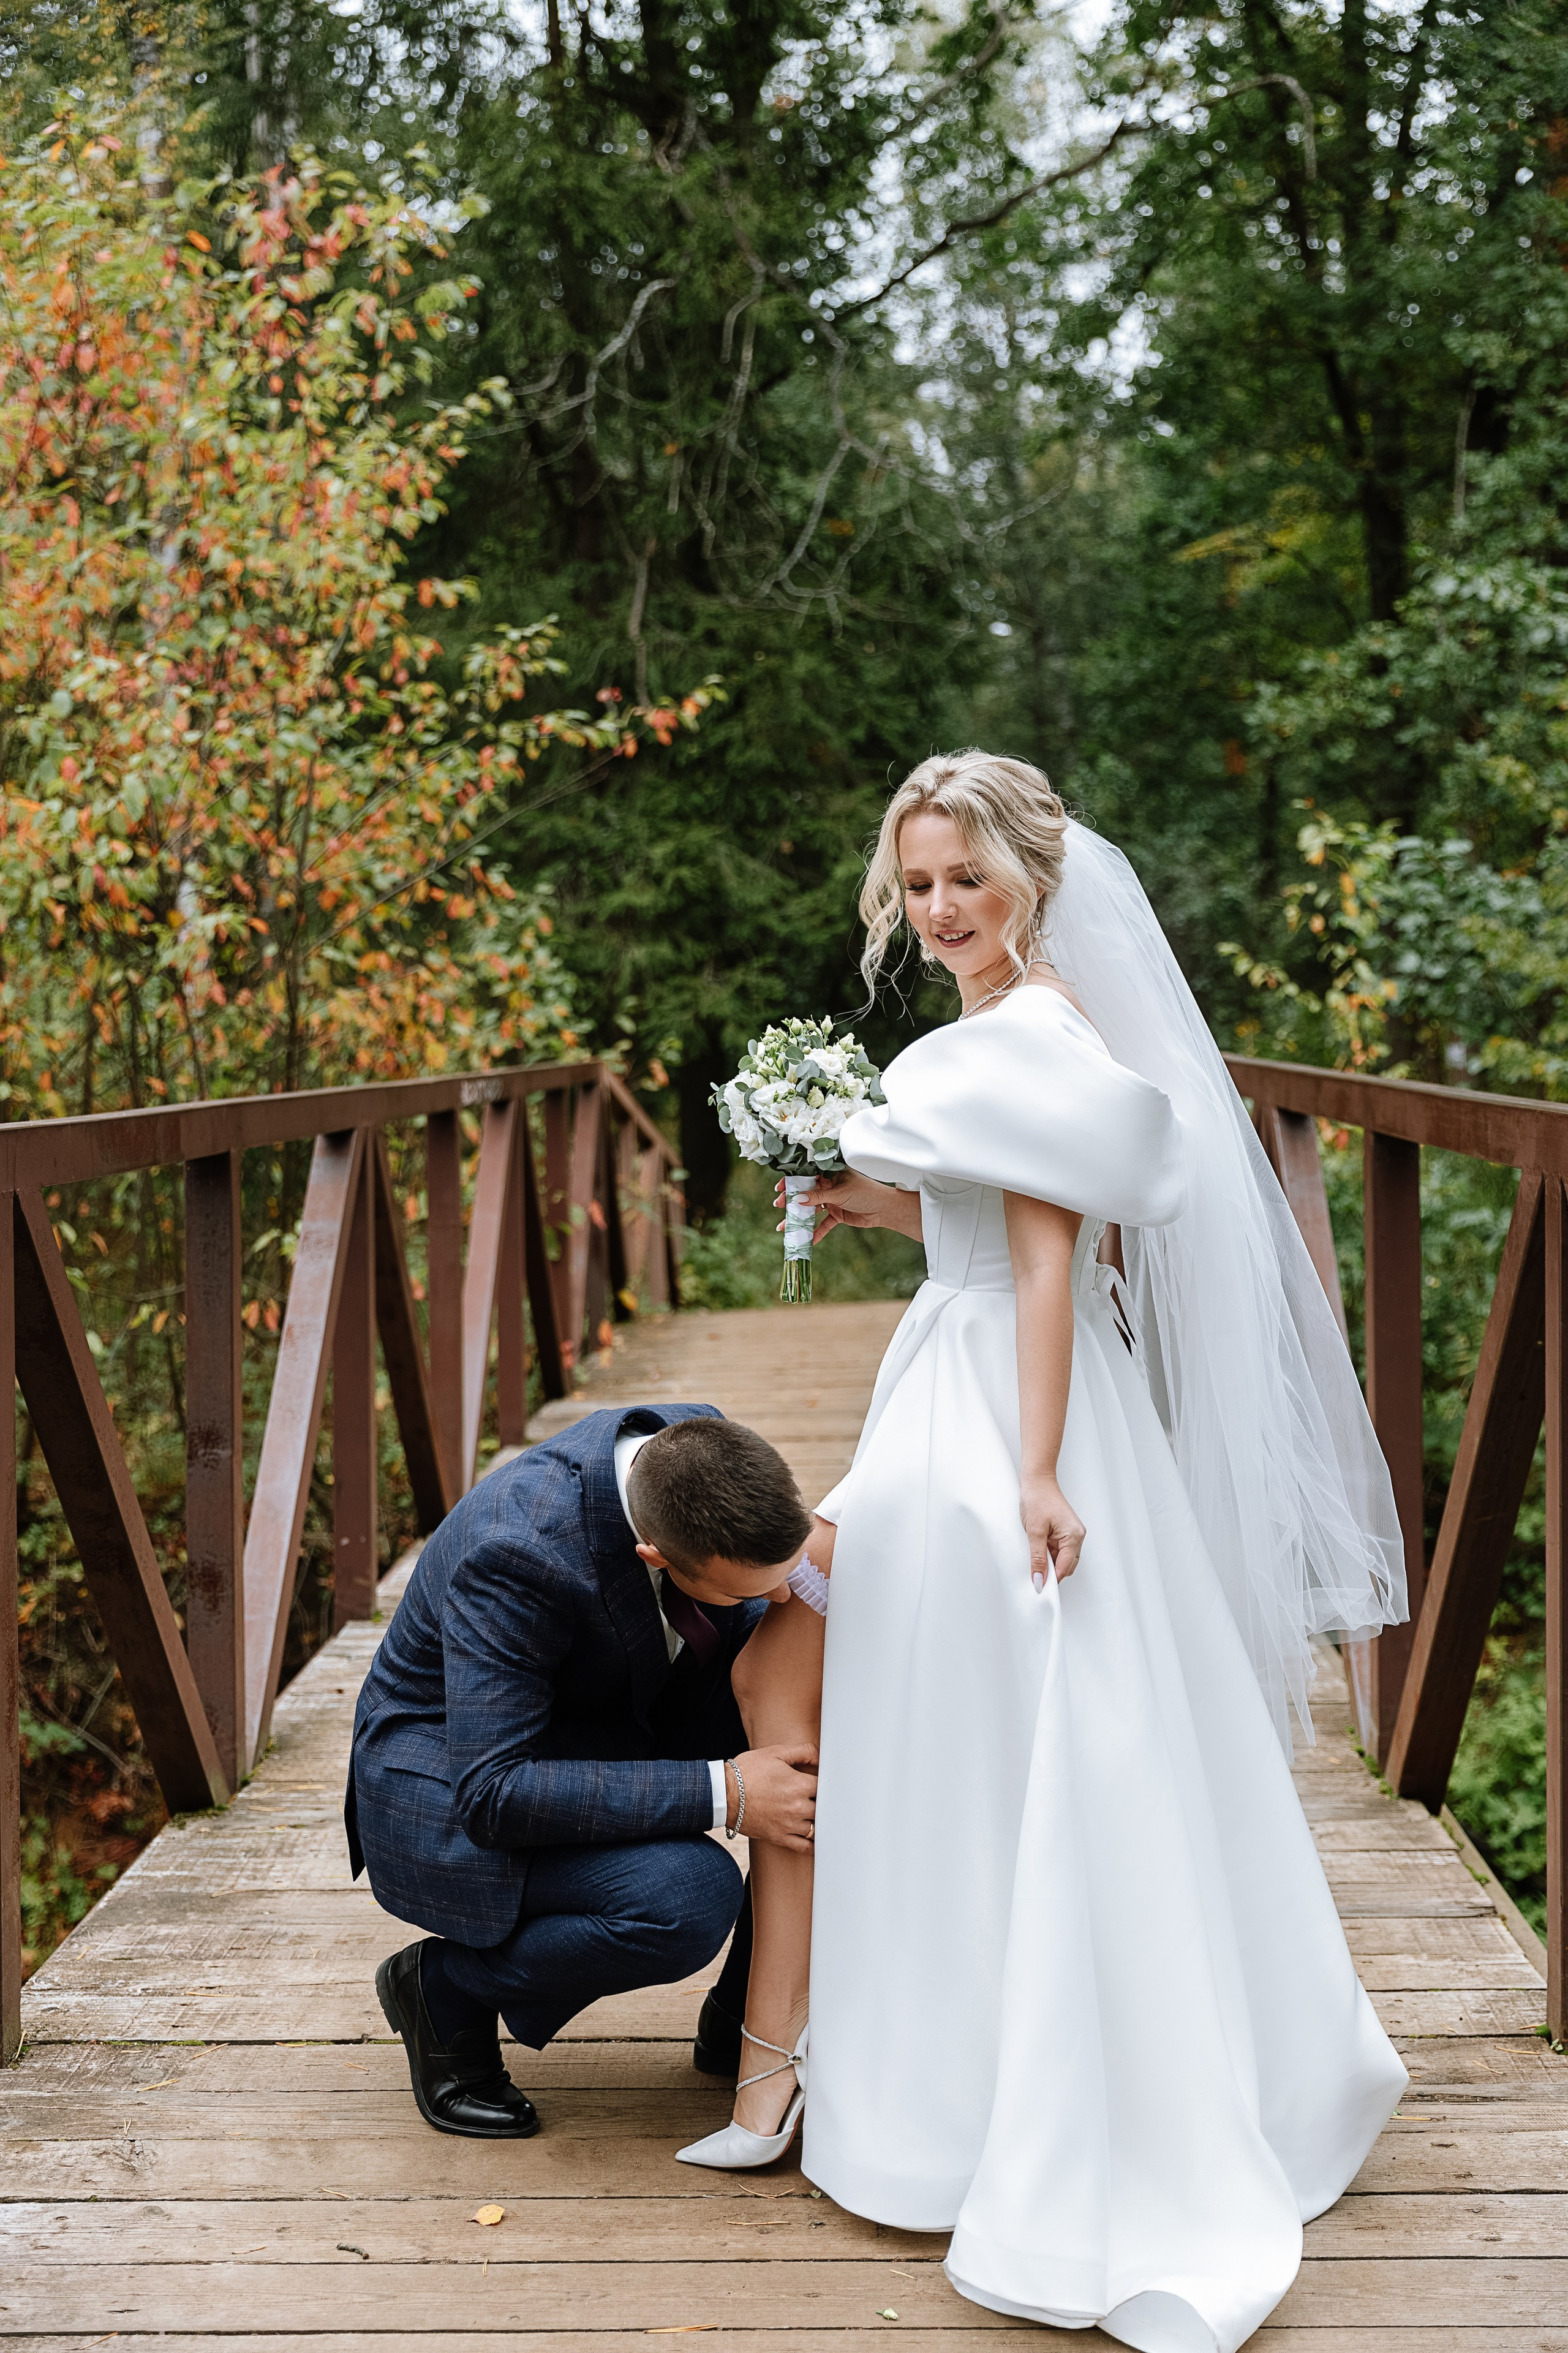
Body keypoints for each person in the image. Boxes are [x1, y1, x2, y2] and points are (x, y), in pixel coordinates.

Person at [677, 753, 1411, 2353]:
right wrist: (868, 1201)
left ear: (1032, 879)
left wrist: (1033, 1470)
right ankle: (906, 2074)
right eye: (921, 883)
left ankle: (998, 2107)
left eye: (968, 882)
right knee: (955, 1734)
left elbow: (1044, 1259)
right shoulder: (1002, 1030)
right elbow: (977, 1217)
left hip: (1004, 1413)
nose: (942, 909)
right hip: (947, 1375)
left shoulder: (1035, 1035)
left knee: (1027, 1733)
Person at [347, 1404, 821, 2139]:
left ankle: (745, 2018)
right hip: (457, 1785)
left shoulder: (695, 1451)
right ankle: (445, 1990)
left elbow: (766, 1598)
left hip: (609, 1712)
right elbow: (495, 1791)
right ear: (656, 1557)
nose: (781, 1598)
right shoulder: (517, 1552)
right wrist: (725, 1789)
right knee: (686, 1897)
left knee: (825, 1742)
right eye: (747, 1592)